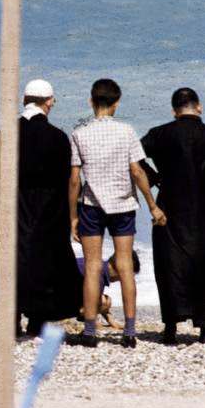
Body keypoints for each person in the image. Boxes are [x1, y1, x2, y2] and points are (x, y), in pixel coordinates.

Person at [140, 87, 205, 344]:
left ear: (174, 110)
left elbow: (134, 157)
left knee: (171, 267)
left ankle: (170, 328)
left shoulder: (160, 134)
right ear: (198, 106)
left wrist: (154, 177)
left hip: (169, 208)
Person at [67, 79, 166, 348]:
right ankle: (130, 331)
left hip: (91, 205)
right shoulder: (126, 131)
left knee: (92, 267)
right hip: (123, 206)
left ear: (91, 101)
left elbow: (75, 179)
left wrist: (72, 216)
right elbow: (137, 171)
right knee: (124, 265)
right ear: (117, 102)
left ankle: (89, 332)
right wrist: (152, 205)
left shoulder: (79, 133)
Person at [0, 79, 83, 338]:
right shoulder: (57, 137)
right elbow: (68, 180)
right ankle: (37, 319)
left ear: (24, 100)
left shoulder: (6, 132)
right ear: (49, 102)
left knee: (11, 260)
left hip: (11, 204)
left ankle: (11, 318)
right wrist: (71, 214)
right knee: (43, 262)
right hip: (48, 209)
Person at [73, 252, 140, 329]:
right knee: (103, 301)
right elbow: (98, 302)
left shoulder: (98, 265)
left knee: (106, 300)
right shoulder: (98, 276)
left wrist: (113, 323)